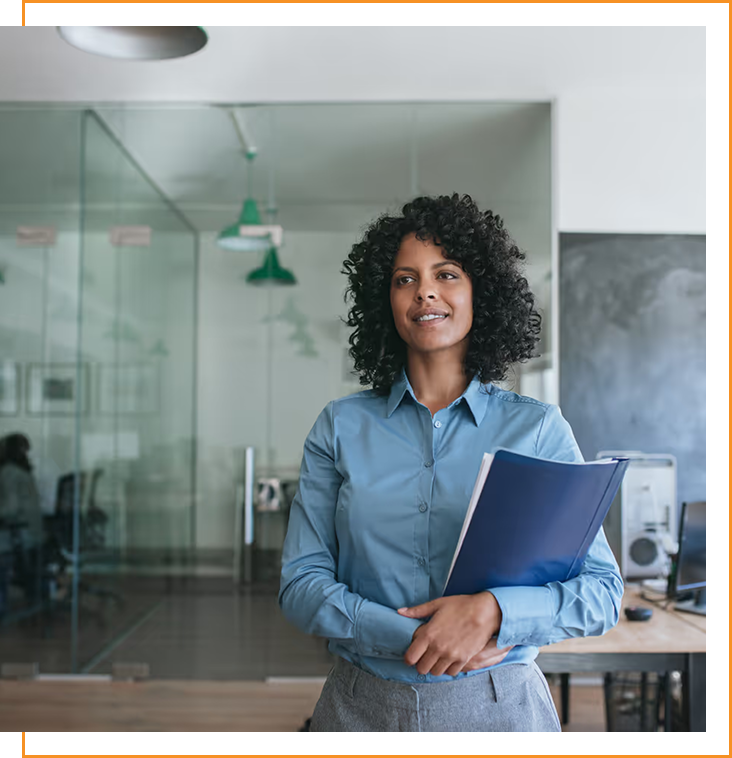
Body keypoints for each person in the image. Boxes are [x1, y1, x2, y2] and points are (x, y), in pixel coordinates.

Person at [279, 193, 623, 732]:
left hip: (500, 705)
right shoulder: (340, 426)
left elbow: (601, 593)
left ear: (481, 293)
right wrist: (420, 637)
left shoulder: (537, 429)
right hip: (359, 706)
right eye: (404, 279)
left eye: (447, 274)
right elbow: (301, 583)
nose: (426, 292)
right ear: (385, 300)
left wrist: (491, 614)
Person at [0, 433, 45, 613]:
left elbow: (11, 509)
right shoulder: (24, 471)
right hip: (33, 535)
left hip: (21, 536)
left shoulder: (8, 472)